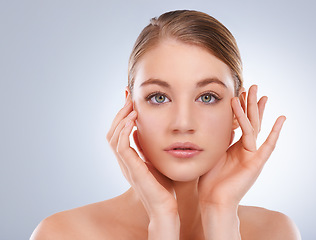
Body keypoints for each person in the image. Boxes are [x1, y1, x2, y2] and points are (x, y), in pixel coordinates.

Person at [31, 9, 301, 240]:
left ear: (237, 111)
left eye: (207, 97)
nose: (183, 124)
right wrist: (162, 220)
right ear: (130, 107)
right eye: (159, 97)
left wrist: (220, 214)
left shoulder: (274, 232)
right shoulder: (63, 233)